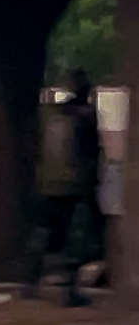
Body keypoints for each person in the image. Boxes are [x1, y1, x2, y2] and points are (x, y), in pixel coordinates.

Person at [26, 69, 103, 306]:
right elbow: (90, 154)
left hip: (49, 184)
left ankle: (31, 283)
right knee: (76, 241)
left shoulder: (54, 115)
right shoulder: (85, 116)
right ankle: (69, 290)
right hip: (74, 186)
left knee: (49, 235)